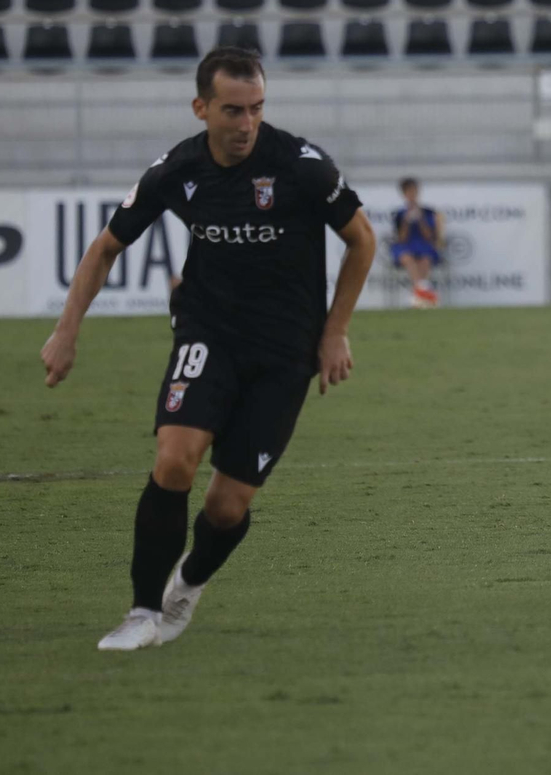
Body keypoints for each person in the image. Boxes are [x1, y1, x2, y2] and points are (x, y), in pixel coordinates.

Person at [39, 47, 377, 651]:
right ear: (201, 108)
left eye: (257, 109)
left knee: (226, 507)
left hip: (284, 353)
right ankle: (142, 612)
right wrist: (67, 330)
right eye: (233, 110)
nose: (247, 123)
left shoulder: (302, 167)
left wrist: (335, 330)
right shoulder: (177, 170)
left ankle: (188, 584)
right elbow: (106, 247)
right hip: (207, 335)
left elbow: (363, 240)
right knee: (174, 461)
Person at [391, 177, 445, 308]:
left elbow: (429, 236)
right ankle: (423, 290)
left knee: (425, 259)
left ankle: (419, 293)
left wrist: (420, 218)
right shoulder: (399, 214)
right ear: (404, 194)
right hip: (406, 245)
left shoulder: (427, 212)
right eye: (409, 192)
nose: (412, 195)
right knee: (407, 258)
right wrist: (406, 221)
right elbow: (401, 238)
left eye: (414, 191)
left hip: (423, 244)